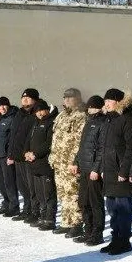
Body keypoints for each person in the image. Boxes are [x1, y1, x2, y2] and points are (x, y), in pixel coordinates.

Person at [99, 88, 132, 255]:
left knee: (123, 209)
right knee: (112, 208)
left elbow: (131, 148)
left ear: (118, 102)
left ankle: (124, 241)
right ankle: (115, 238)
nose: (106, 104)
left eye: (109, 100)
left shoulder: (127, 119)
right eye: (105, 101)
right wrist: (102, 168)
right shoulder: (109, 120)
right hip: (109, 171)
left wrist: (125, 170)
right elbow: (105, 148)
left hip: (121, 173)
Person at [50, 88, 88, 237]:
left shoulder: (81, 116)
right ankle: (66, 222)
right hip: (59, 162)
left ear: (77, 98)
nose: (66, 100)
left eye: (70, 97)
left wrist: (75, 161)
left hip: (71, 163)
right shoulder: (61, 115)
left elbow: (80, 142)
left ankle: (77, 223)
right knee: (63, 193)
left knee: (74, 194)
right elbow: (56, 138)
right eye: (65, 97)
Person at [74, 95, 108, 246]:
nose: (91, 109)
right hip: (84, 168)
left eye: (94, 107)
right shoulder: (88, 122)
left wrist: (96, 169)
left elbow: (102, 149)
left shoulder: (102, 123)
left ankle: (97, 233)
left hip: (93, 171)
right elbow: (82, 146)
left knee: (96, 203)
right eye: (89, 107)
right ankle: (88, 230)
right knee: (83, 202)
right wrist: (76, 162)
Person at [9, 88, 40, 224]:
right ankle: (26, 210)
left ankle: (35, 212)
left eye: (28, 98)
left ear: (35, 100)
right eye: (23, 98)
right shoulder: (19, 114)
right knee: (22, 187)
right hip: (17, 157)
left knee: (31, 187)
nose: (25, 100)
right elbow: (13, 135)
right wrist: (11, 153)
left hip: (28, 157)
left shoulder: (36, 114)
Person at [26, 100, 57, 230]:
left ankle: (50, 219)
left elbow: (49, 143)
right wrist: (26, 152)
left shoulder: (51, 123)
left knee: (48, 193)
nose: (39, 113)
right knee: (40, 193)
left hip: (45, 164)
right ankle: (42, 216)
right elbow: (28, 140)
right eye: (37, 111)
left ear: (46, 110)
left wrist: (35, 154)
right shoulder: (36, 123)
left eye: (41, 110)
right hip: (34, 164)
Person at [0, 96, 20, 216]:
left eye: (4, 105)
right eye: (0, 106)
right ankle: (6, 203)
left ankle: (14, 206)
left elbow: (13, 139)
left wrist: (11, 155)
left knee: (9, 183)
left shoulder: (13, 118)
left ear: (8, 106)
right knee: (0, 183)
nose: (2, 108)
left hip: (6, 156)